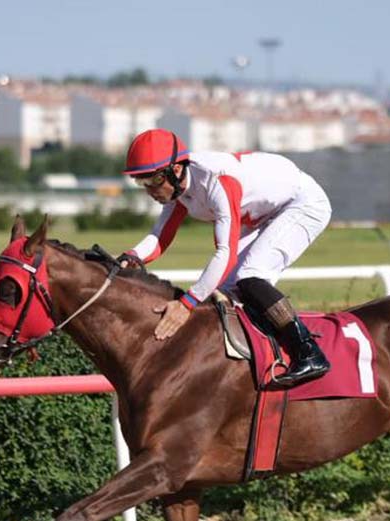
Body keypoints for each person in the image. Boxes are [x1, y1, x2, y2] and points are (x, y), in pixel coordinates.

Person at [118, 128, 331, 387]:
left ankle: (308, 352)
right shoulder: (176, 188)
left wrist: (186, 304)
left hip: (302, 204)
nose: (149, 190)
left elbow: (225, 253)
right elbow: (160, 236)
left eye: (152, 181)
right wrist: (131, 257)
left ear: (174, 170)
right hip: (265, 213)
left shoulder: (216, 180)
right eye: (142, 182)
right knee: (223, 288)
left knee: (249, 275)